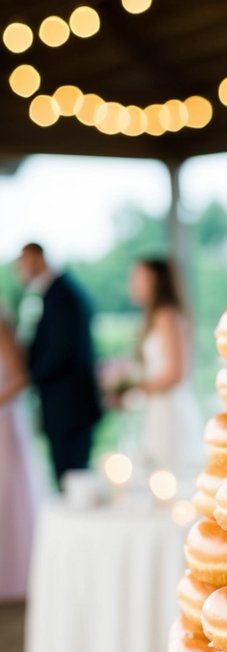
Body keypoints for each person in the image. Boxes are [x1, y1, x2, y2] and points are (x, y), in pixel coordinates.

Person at [16, 242, 102, 484]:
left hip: (69, 407)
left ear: (36, 258)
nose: (19, 269)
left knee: (72, 478)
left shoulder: (62, 295)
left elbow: (60, 351)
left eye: (22, 262)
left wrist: (26, 375)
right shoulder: (56, 292)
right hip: (65, 405)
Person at [127, 257, 202, 476]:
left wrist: (136, 389)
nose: (133, 284)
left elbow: (175, 372)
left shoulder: (166, 316)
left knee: (168, 474)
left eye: (138, 278)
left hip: (170, 410)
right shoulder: (156, 316)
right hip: (158, 408)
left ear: (155, 281)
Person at [0, 309, 37, 599]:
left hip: (4, 423)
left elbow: (20, 378)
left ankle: (15, 573)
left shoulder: (2, 327)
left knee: (8, 494)